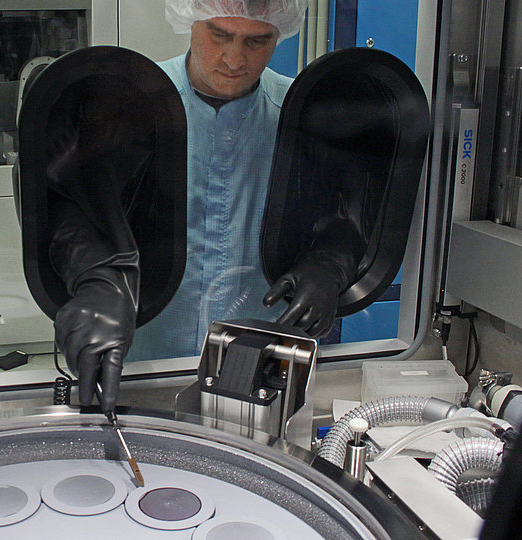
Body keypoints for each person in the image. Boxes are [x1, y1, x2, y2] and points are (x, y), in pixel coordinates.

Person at [53, 0, 361, 409]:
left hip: (258, 373)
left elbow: (346, 216)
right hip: (141, 365)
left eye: (257, 40)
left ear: (280, 33)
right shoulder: (126, 107)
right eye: (220, 34)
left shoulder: (300, 116)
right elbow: (67, 208)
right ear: (190, 19)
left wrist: (328, 267)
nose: (235, 59)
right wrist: (93, 282)